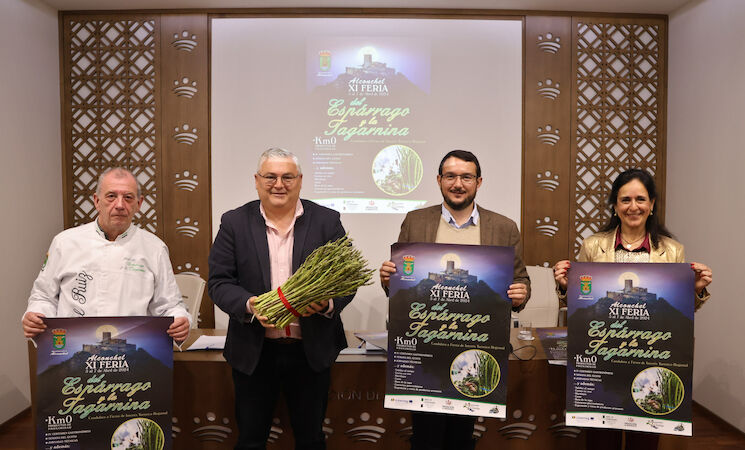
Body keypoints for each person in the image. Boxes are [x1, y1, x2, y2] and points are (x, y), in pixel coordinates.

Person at [379, 150, 531, 450]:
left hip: (476, 345)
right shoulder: (415, 221)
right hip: (425, 344)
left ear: (479, 182)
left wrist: (520, 294)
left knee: (461, 436)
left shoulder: (504, 227)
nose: (458, 184)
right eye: (450, 176)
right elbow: (404, 279)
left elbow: (521, 279)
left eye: (466, 177)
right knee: (426, 436)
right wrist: (388, 279)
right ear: (439, 180)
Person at [553, 168, 712, 450]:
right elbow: (582, 303)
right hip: (602, 354)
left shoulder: (672, 250)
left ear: (652, 204)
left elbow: (676, 311)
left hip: (649, 355)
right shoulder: (593, 246)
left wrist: (695, 290)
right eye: (625, 199)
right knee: (602, 440)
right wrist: (567, 286)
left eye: (641, 199)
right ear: (615, 206)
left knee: (644, 438)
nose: (633, 206)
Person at [208, 147, 356, 450]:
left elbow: (347, 279)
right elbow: (219, 282)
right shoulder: (234, 222)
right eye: (270, 177)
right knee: (250, 441)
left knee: (311, 440)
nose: (279, 184)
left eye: (288, 177)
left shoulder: (326, 221)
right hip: (254, 352)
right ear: (257, 180)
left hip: (310, 352)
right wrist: (249, 305)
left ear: (300, 180)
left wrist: (327, 304)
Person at [22, 167, 192, 343]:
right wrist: (36, 315)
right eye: (111, 196)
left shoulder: (155, 248)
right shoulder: (64, 243)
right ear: (97, 201)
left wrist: (180, 320)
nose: (120, 205)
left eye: (128, 197)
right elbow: (43, 296)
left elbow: (170, 305)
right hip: (72, 346)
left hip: (132, 348)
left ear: (139, 204)